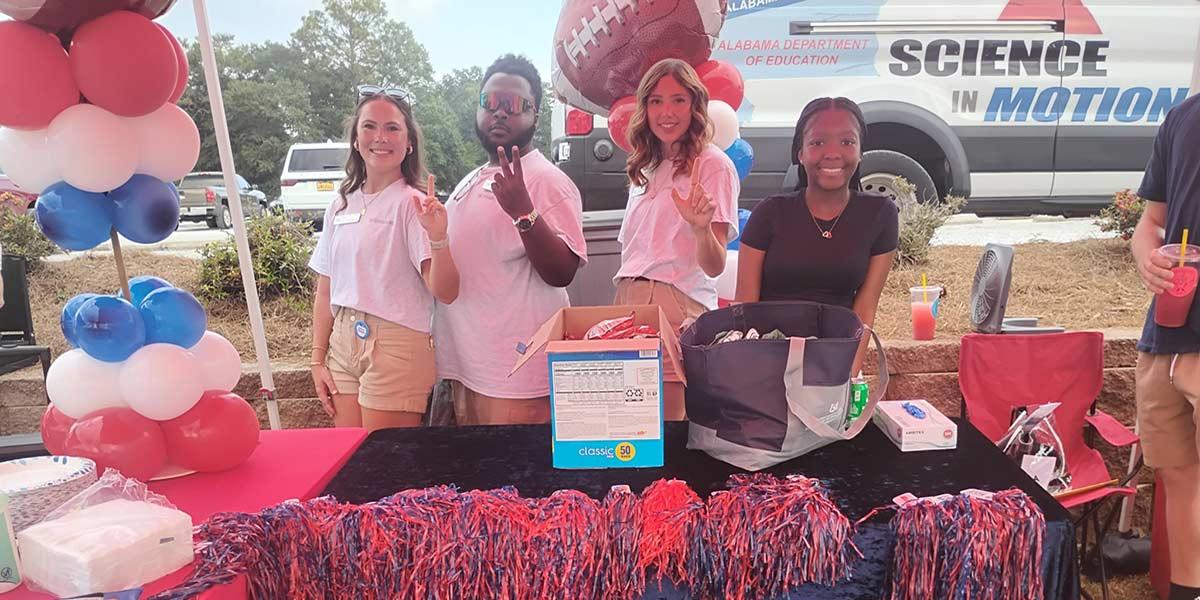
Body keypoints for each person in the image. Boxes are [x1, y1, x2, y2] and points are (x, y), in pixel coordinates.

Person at [434, 54, 587, 425]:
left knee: (514, 480)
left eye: (515, 105)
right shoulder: (471, 178)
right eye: (490, 103)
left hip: (517, 381)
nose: (500, 113)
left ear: (535, 115)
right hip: (467, 370)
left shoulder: (546, 181)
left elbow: (563, 271)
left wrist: (524, 213)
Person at [309, 85, 459, 432]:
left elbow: (446, 291)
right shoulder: (340, 204)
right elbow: (325, 289)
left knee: (385, 467)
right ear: (355, 139)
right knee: (349, 460)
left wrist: (438, 237)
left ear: (409, 143)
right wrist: (317, 359)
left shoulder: (413, 204)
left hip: (396, 344)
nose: (381, 137)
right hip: (342, 342)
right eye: (370, 126)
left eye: (392, 127)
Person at [614, 58, 741, 421]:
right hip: (627, 304)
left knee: (669, 426)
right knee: (629, 427)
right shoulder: (645, 165)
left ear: (695, 104)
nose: (666, 112)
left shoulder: (712, 164)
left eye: (677, 100)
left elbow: (714, 266)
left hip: (676, 306)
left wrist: (701, 228)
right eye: (656, 101)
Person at [734, 97, 898, 372]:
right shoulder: (769, 213)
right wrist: (752, 377)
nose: (832, 153)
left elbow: (866, 308)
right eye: (818, 142)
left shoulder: (880, 214)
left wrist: (847, 379)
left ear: (860, 152)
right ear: (800, 152)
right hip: (768, 359)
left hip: (833, 361)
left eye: (847, 142)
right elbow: (744, 307)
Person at [1130, 91, 1200, 600]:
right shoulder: (1183, 117)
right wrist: (1148, 255)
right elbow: (1152, 222)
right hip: (1166, 336)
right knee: (1177, 477)